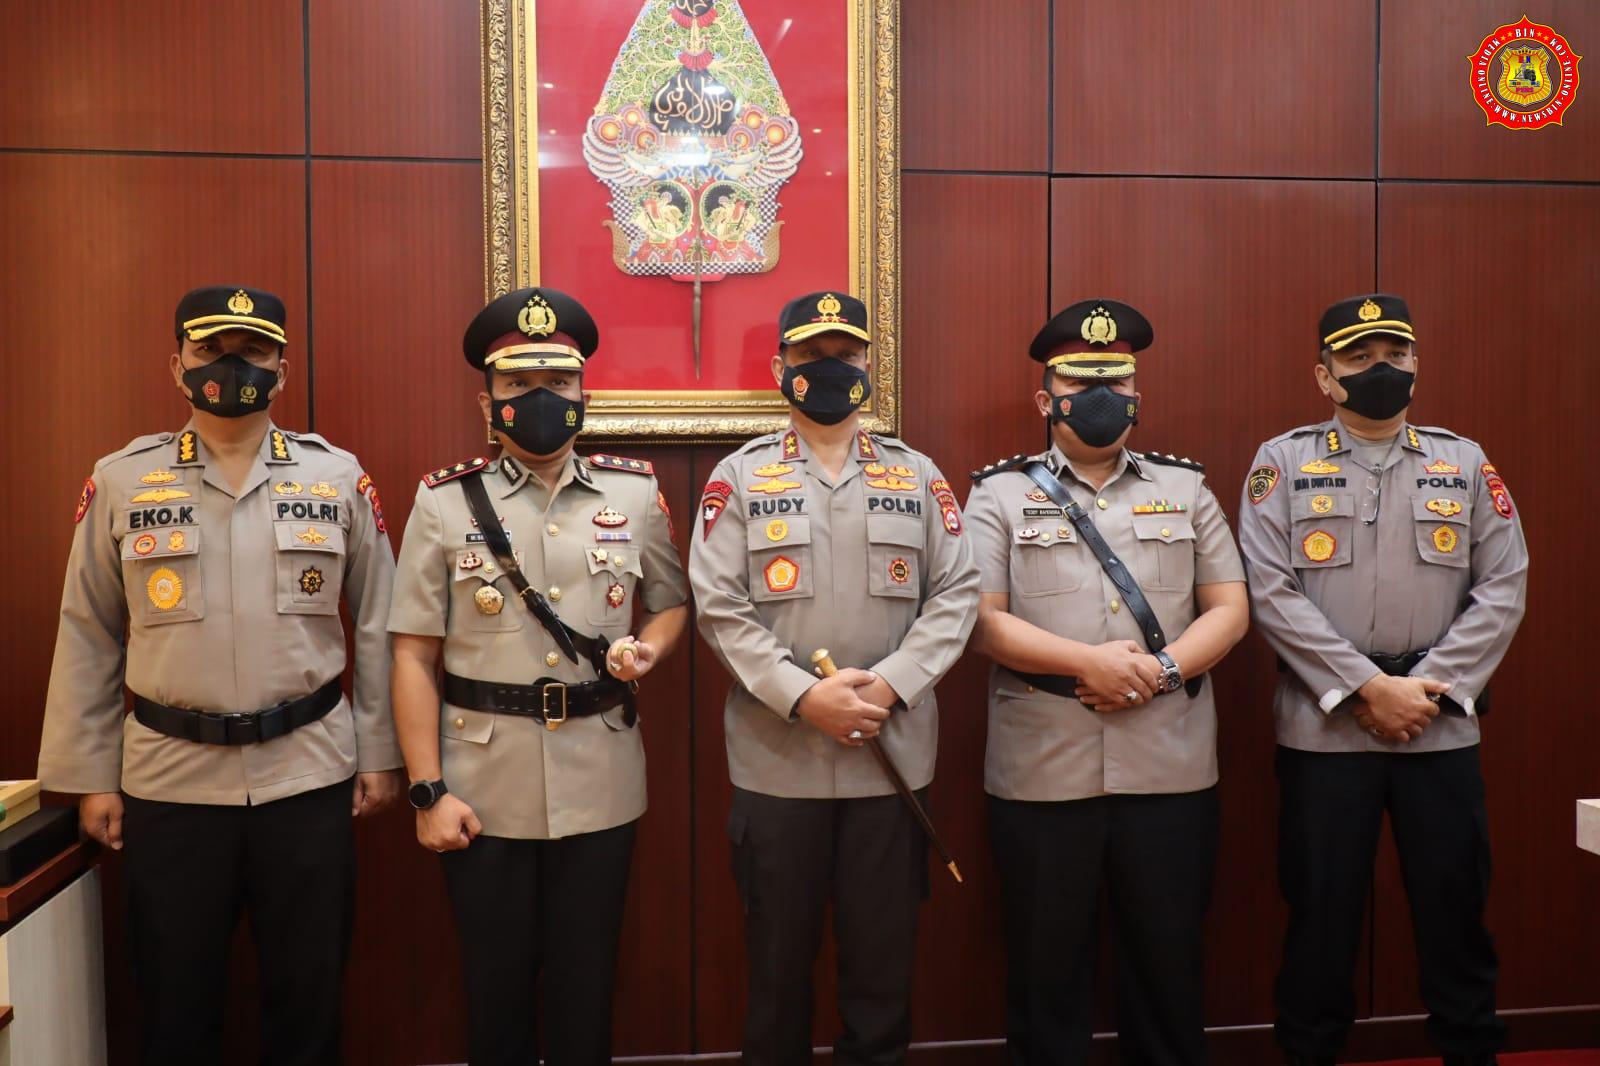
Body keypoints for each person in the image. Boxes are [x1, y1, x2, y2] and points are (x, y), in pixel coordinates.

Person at [37, 285, 402, 1065]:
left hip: (308, 776)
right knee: (175, 1005)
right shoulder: (123, 481)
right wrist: (92, 777)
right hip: (170, 784)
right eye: (210, 350)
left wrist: (379, 754)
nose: (231, 366)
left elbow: (379, 623)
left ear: (282, 368)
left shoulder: (336, 476)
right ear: (177, 366)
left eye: (253, 351)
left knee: (309, 1002)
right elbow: (88, 631)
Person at [387, 286, 688, 1066]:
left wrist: (648, 651)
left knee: (589, 990)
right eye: (519, 383)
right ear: (487, 401)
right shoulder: (443, 501)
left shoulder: (634, 492)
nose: (542, 397)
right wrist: (427, 790)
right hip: (480, 786)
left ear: (584, 391)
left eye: (559, 381)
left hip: (601, 776)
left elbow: (671, 604)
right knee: (495, 996)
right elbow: (412, 654)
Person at [688, 290, 980, 1066]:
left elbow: (958, 593)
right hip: (778, 765)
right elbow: (718, 606)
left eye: (845, 355)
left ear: (868, 367)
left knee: (882, 979)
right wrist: (804, 696)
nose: (829, 369)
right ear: (779, 368)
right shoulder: (738, 477)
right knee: (776, 978)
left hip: (892, 765)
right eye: (811, 356)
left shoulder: (917, 474)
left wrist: (891, 684)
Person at [1236, 294, 1528, 1066]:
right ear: (1324, 376)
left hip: (1439, 726)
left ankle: (1471, 1053)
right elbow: (1268, 589)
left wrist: (1427, 689)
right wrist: (1368, 688)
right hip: (1326, 730)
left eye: (1395, 355)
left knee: (1456, 914)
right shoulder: (1281, 463)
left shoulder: (1463, 462)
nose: (1381, 369)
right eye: (1359, 358)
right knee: (1320, 919)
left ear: (1417, 364)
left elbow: (1505, 584)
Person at [965, 299, 1249, 1065]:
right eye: (1080, 380)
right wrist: (1086, 663)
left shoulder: (1186, 489)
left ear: (1136, 392)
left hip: (1169, 763)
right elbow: (982, 622)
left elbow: (1230, 608)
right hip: (1043, 769)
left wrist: (1160, 670)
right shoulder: (997, 495)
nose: (1100, 394)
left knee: (1168, 966)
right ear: (1045, 398)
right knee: (1045, 972)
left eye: (1115, 379)